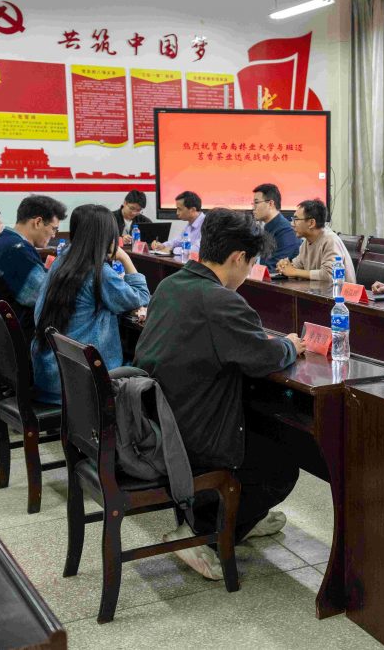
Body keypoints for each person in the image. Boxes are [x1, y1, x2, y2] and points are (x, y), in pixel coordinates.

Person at [133, 208, 306, 580]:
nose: (248, 273)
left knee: (262, 435)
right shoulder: (220, 301)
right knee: (280, 467)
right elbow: (265, 357)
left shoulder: (171, 284)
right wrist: (290, 344)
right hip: (193, 434)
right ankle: (203, 535)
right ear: (238, 258)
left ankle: (240, 517)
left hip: (158, 420)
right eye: (251, 264)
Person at [31, 205, 150, 404]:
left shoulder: (63, 261)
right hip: (81, 384)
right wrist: (124, 256)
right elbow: (142, 297)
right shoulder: (97, 272)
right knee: (148, 367)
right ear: (106, 236)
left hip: (50, 374)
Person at [0, 195, 67, 355]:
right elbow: (46, 299)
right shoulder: (17, 251)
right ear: (38, 222)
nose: (54, 235)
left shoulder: (1, 242)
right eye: (54, 229)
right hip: (6, 345)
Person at [276, 198, 356, 283]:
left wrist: (295, 272)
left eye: (296, 220)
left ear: (311, 223)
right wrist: (284, 266)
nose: (292, 224)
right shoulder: (306, 242)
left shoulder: (330, 240)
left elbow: (331, 275)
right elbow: (296, 266)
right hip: (319, 290)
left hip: (339, 291)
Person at [252, 183, 300, 271]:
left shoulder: (286, 231)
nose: (253, 207)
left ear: (270, 204)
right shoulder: (267, 227)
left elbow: (274, 268)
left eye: (256, 202)